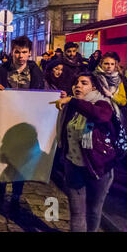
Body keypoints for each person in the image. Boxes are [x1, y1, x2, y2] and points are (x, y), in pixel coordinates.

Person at [52, 73, 117, 232]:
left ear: (94, 87)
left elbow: (100, 115)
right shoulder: (73, 106)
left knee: (93, 210)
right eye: (76, 83)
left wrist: (72, 101)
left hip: (98, 168)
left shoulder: (103, 104)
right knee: (77, 213)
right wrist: (69, 101)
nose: (78, 86)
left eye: (84, 83)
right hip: (73, 165)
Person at [0, 36, 45, 213]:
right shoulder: (1, 72)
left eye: (24, 52)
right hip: (5, 122)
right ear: (11, 52)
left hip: (25, 125)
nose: (20, 56)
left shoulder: (36, 73)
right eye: (17, 52)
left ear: (29, 53)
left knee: (21, 161)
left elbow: (44, 96)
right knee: (5, 157)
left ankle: (16, 195)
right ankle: (0, 188)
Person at [93, 52, 127, 123]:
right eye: (106, 63)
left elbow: (123, 101)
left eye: (112, 64)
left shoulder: (119, 80)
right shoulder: (94, 77)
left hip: (114, 114)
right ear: (101, 64)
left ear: (115, 66)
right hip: (97, 112)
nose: (109, 66)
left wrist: (111, 95)